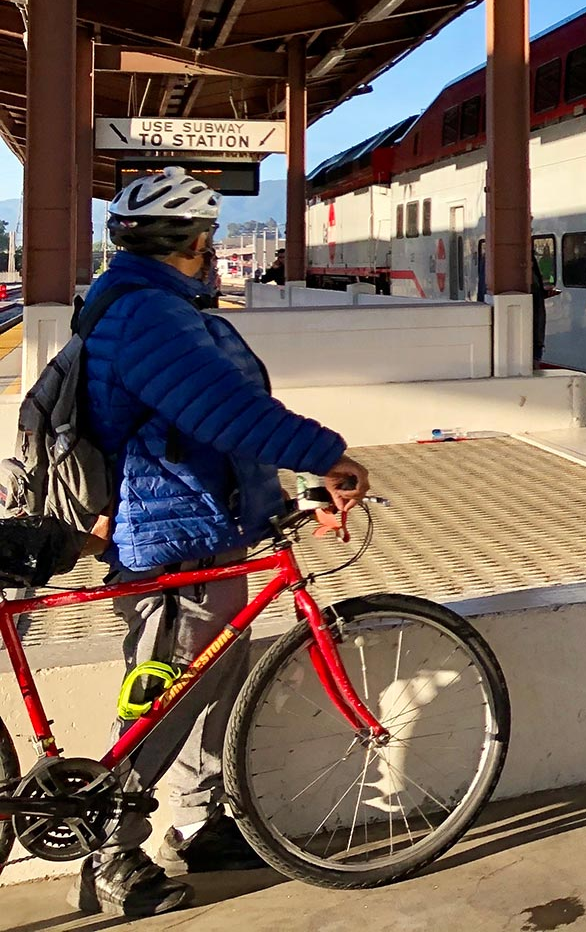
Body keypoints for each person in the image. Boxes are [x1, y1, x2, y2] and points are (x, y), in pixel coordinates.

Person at [72, 168, 370, 917]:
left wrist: (291, 499)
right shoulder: (147, 314)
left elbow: (211, 436)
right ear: (196, 243)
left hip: (204, 528)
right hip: (172, 540)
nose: (212, 255)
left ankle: (200, 820)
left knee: (214, 678)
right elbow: (223, 412)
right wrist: (327, 456)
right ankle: (109, 853)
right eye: (209, 241)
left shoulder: (160, 306)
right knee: (166, 692)